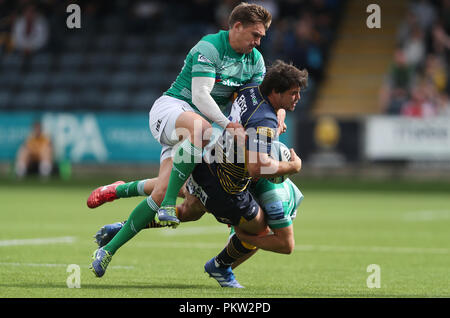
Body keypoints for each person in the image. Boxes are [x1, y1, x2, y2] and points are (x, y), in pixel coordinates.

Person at [87, 2, 274, 277]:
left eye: (261, 37)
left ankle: (107, 249)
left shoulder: (255, 61)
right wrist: (227, 124)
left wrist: (277, 115)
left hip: (198, 132)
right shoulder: (209, 48)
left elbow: (255, 100)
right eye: (255, 35)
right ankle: (165, 206)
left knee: (177, 197)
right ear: (236, 27)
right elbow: (199, 96)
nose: (258, 42)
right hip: (173, 111)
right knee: (200, 132)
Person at [89, 60, 308, 287]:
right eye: (293, 93)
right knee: (261, 229)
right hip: (226, 193)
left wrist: (279, 113)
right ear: (276, 91)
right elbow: (257, 167)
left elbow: (261, 104)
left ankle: (119, 194)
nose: (298, 98)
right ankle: (221, 265)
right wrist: (293, 167)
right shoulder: (264, 123)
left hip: (207, 162)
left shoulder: (249, 90)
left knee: (185, 205)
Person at [90, 176, 303, 288]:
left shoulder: (274, 200)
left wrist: (242, 235)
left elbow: (285, 244)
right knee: (186, 204)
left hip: (246, 197)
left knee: (187, 207)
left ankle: (221, 266)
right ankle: (118, 192)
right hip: (222, 174)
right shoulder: (250, 145)